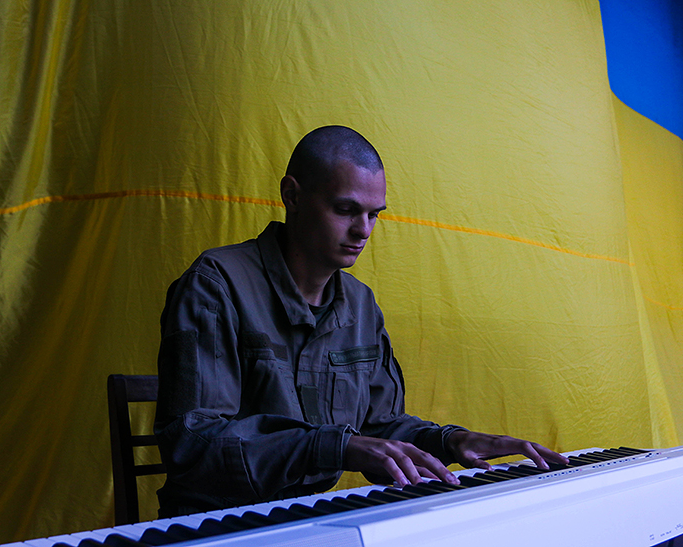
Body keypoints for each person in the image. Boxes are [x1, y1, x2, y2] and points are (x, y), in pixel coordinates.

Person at [154, 125, 568, 517]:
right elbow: (192, 445)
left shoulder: (360, 304)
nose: (363, 230)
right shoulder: (215, 284)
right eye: (346, 209)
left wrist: (450, 441)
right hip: (212, 524)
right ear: (291, 195)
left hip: (306, 520)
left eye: (374, 214)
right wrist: (335, 446)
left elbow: (380, 427)